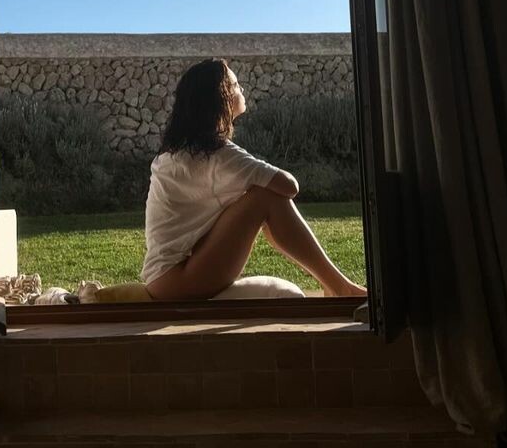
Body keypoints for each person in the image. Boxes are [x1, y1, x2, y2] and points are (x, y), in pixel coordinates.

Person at [141, 58, 367, 302]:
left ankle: (336, 285)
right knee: (266, 197)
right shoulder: (216, 154)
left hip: (163, 280)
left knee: (262, 196)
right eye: (235, 85)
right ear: (222, 98)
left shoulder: (177, 153)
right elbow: (289, 186)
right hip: (179, 281)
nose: (242, 90)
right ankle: (339, 286)